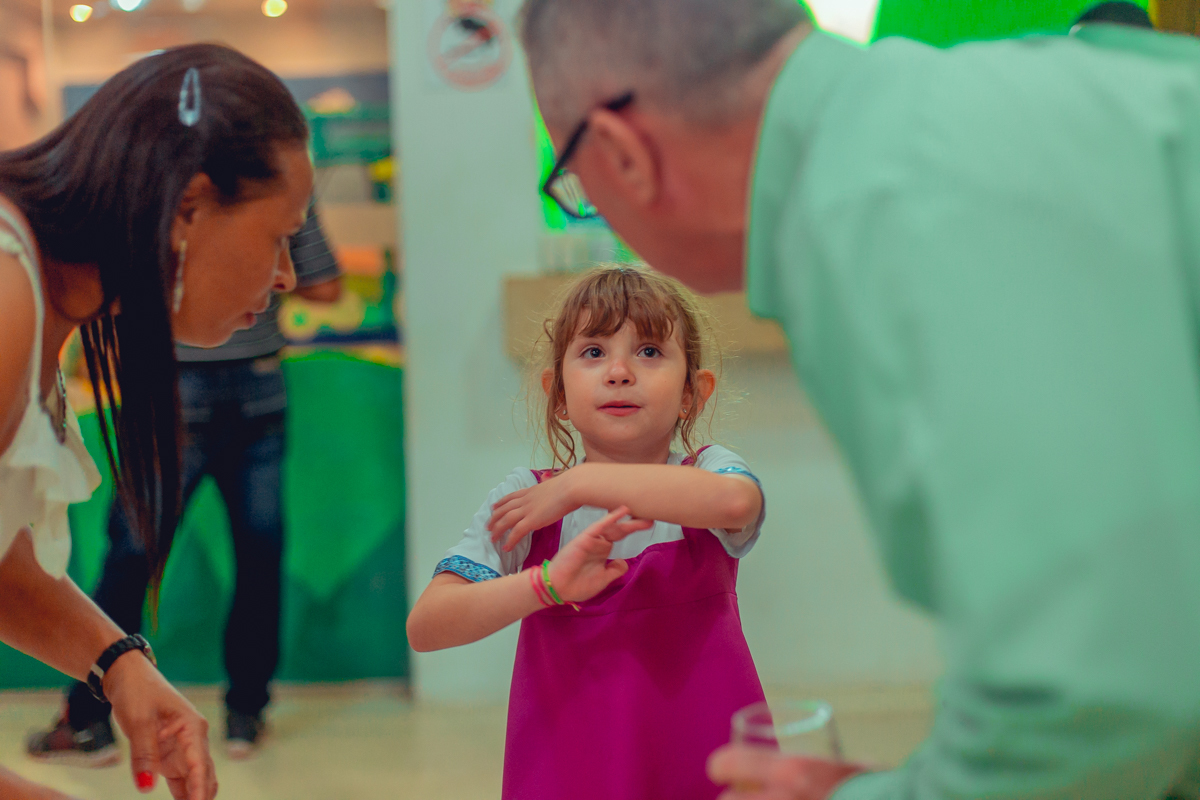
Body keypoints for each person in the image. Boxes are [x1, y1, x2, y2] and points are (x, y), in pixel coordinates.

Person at [518, 1, 1200, 798]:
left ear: (625, 154)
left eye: (578, 187)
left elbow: (1098, 692)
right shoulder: (958, 115)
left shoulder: (882, 209)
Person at [0, 42, 313, 800]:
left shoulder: (50, 297)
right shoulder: (7, 290)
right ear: (188, 207)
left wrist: (120, 666)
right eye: (279, 236)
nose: (288, 277)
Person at [407, 266, 768, 800]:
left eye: (649, 351)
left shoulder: (708, 469)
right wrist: (544, 585)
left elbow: (738, 501)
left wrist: (581, 482)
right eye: (593, 352)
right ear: (557, 392)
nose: (619, 371)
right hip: (571, 768)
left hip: (706, 764)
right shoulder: (527, 500)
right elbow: (428, 626)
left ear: (694, 392)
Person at [26, 198, 342, 766]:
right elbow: (322, 286)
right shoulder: (223, 185)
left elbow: (317, 282)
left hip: (210, 389)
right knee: (228, 551)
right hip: (211, 391)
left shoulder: (205, 188)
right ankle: (238, 710)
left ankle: (94, 717)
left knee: (151, 552)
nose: (284, 275)